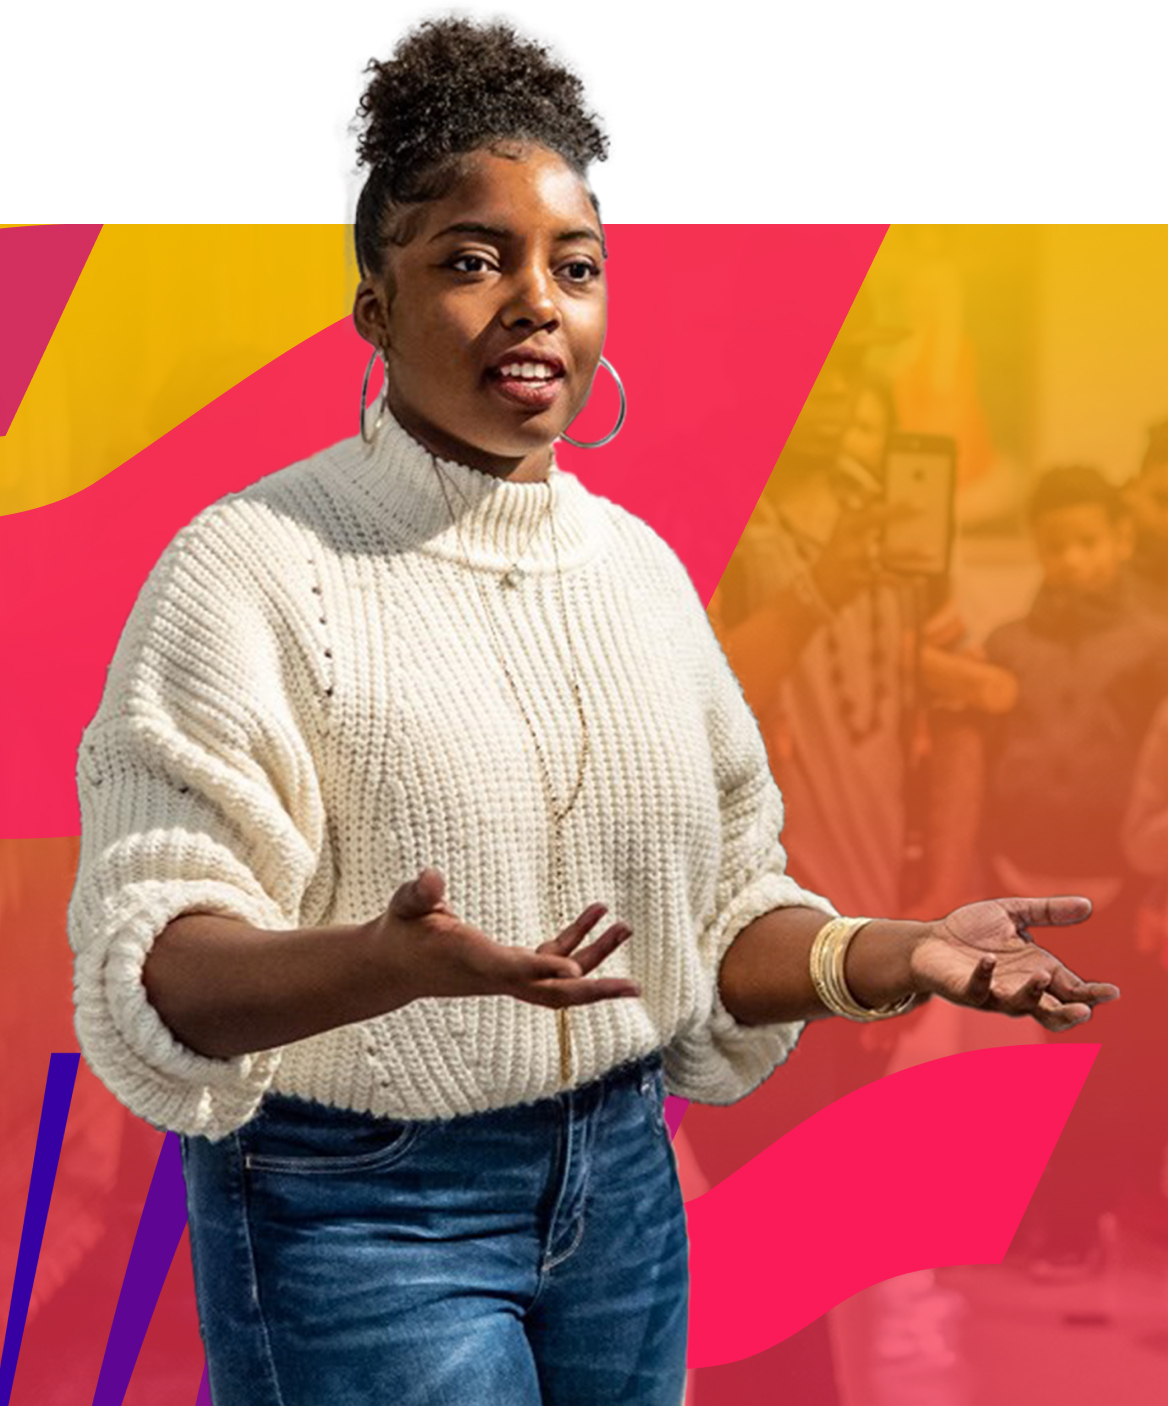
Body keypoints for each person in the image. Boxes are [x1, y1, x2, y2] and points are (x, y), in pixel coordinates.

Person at [66, 19, 1120, 1406]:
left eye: (574, 266)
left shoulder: (639, 573)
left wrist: (896, 949)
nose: (535, 301)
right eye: (470, 259)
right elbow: (155, 960)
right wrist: (389, 962)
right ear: (373, 308)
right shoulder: (253, 566)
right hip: (361, 1206)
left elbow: (720, 918)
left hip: (619, 1188)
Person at [975, 465, 1168, 1277]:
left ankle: (1083, 1219)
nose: (1074, 558)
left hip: (1113, 890)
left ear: (1119, 541)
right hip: (1020, 874)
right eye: (1058, 545)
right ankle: (1031, 1212)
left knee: (1105, 1061)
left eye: (1089, 542)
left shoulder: (1156, 640)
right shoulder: (1010, 643)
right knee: (1030, 1058)